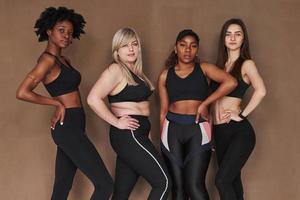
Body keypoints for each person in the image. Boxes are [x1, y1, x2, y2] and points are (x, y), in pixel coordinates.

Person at [16, 7, 113, 200]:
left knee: (62, 186)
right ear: (49, 31)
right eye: (61, 30)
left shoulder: (63, 60)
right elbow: (22, 92)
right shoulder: (47, 61)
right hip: (66, 126)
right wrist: (56, 104)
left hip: (75, 124)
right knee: (105, 184)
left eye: (69, 33)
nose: (66, 36)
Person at [87, 27, 171, 200]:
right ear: (117, 50)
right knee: (164, 183)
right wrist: (116, 122)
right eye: (125, 45)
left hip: (137, 135)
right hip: (128, 135)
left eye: (134, 44)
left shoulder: (137, 73)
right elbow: (93, 99)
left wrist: (146, 134)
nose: (131, 49)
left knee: (121, 194)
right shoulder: (116, 70)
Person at [158, 29, 237, 200]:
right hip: (171, 131)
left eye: (193, 46)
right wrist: (162, 140)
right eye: (183, 45)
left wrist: (205, 103)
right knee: (178, 190)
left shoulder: (204, 69)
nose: (188, 50)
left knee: (194, 186)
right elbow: (163, 111)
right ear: (175, 48)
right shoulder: (165, 75)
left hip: (198, 129)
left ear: (197, 50)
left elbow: (231, 82)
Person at [211, 18, 266, 200]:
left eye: (238, 34)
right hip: (219, 131)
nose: (233, 38)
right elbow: (212, 102)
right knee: (233, 181)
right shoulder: (219, 67)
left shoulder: (246, 64)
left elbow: (261, 91)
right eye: (228, 34)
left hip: (238, 132)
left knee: (222, 181)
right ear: (223, 39)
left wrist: (241, 114)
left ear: (244, 39)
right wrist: (210, 131)